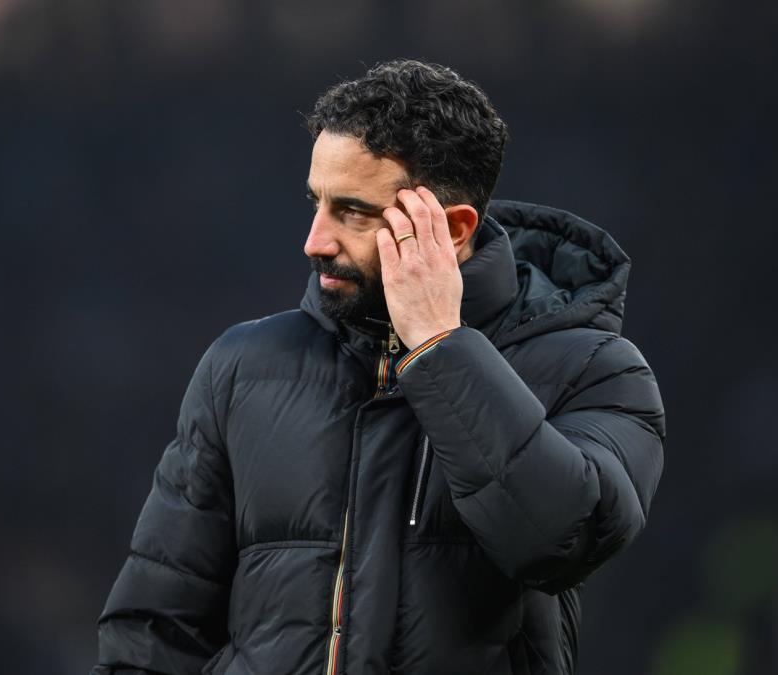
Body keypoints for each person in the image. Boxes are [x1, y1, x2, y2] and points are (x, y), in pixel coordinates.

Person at [92, 59, 666, 675]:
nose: (315, 241)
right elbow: (154, 632)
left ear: (454, 229)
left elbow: (558, 541)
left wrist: (440, 346)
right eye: (316, 202)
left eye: (353, 212)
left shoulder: (597, 369)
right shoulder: (241, 366)